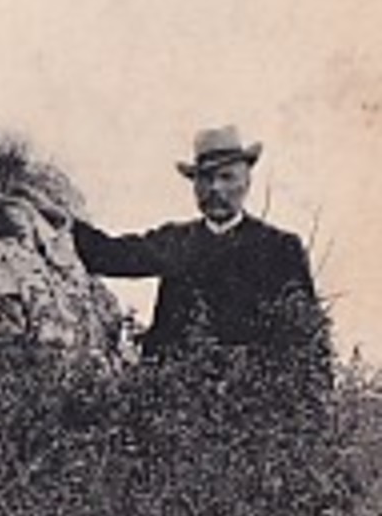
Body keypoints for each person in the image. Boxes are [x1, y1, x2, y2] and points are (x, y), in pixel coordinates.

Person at [56, 126, 330, 383]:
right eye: (205, 179)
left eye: (226, 177)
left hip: (249, 406)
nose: (215, 189)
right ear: (194, 186)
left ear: (246, 182)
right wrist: (58, 217)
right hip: (175, 401)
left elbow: (309, 337)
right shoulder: (176, 240)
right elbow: (109, 256)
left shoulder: (280, 248)